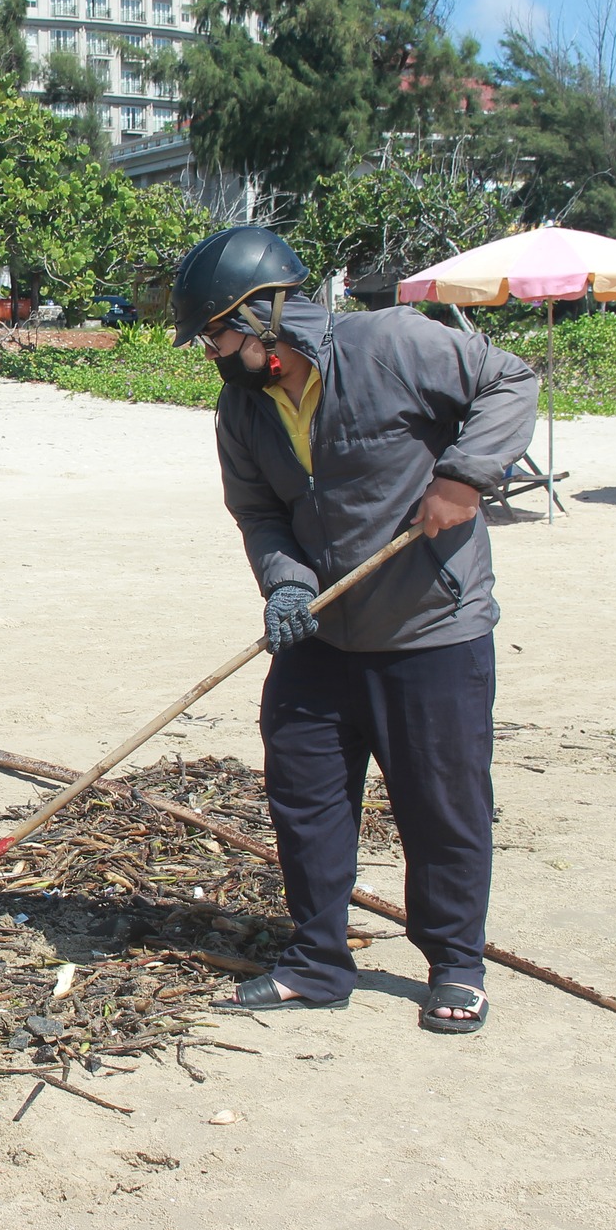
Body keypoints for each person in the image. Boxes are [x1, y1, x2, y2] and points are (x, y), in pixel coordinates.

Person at [171, 226, 537, 1036]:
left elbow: (511, 382)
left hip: (432, 628)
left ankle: (455, 965)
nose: (211, 352)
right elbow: (260, 513)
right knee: (302, 792)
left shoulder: (394, 344)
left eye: (216, 332)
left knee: (441, 805)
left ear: (265, 315)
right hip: (325, 635)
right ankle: (318, 960)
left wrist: (463, 475)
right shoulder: (242, 409)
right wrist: (288, 586)